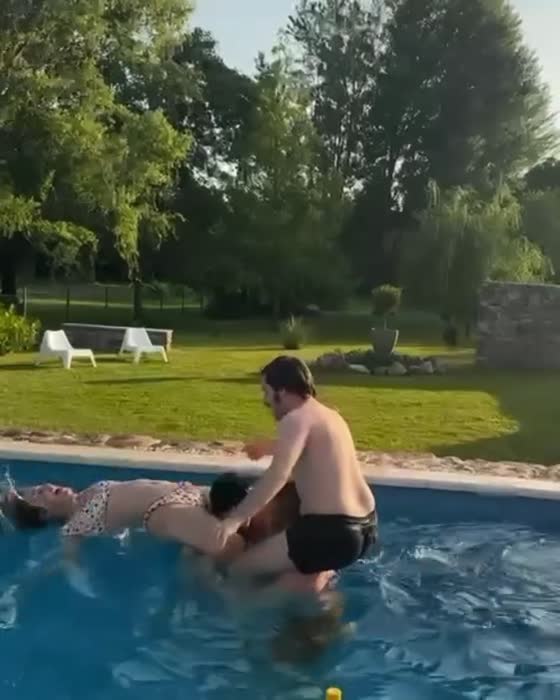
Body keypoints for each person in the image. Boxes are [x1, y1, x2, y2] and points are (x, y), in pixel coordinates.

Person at [214, 355, 377, 578]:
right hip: (367, 526)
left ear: (281, 392)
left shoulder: (294, 419)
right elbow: (314, 451)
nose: (265, 400)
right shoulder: (330, 416)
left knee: (238, 571)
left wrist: (235, 520)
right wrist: (269, 447)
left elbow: (277, 476)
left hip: (331, 531)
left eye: (266, 391)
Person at [2, 474, 252, 562]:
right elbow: (70, 560)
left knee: (245, 496)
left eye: (41, 486)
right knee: (231, 543)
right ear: (44, 513)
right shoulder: (75, 526)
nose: (46, 485)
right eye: (40, 493)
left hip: (188, 493)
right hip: (165, 509)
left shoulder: (85, 494)